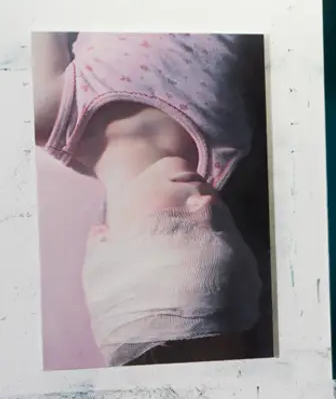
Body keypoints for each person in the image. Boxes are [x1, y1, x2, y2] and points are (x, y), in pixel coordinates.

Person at [32, 32, 264, 366]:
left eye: (178, 229)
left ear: (102, 237)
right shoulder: (230, 152)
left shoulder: (56, 113)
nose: (206, 204)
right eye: (221, 231)